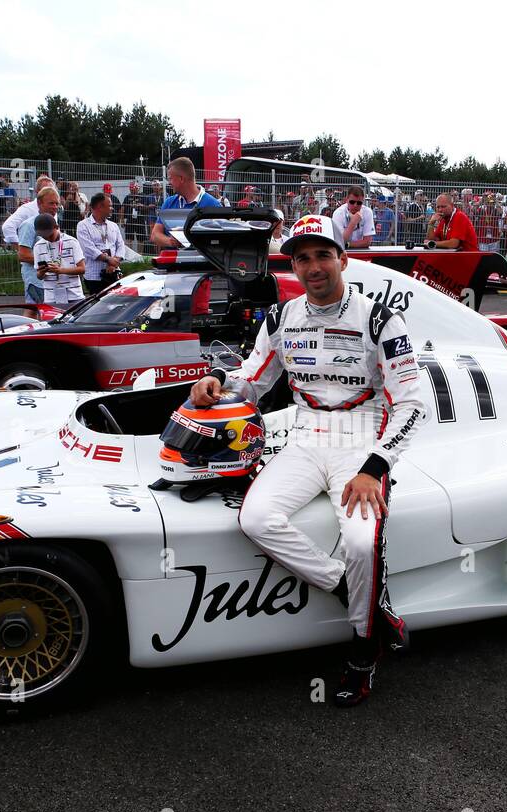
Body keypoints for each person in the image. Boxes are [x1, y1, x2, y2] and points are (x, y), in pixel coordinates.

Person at [189, 215, 425, 707]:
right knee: (255, 518)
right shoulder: (280, 318)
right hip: (304, 435)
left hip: (362, 439)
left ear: (343, 258)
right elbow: (250, 380)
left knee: (361, 542)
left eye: (323, 255)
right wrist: (216, 383)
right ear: (292, 265)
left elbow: (413, 404)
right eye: (302, 258)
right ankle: (348, 589)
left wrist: (374, 469)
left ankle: (364, 650)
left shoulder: (380, 318)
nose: (313, 267)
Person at [151, 157, 221, 251]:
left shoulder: (213, 205)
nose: (169, 183)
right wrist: (171, 242)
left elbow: (219, 240)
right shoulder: (169, 203)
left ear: (181, 179)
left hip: (201, 263)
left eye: (170, 178)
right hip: (173, 264)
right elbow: (155, 235)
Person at [17, 186, 62, 304]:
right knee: (40, 312)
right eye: (51, 203)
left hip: (51, 280)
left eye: (57, 204)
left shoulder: (54, 224)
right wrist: (49, 263)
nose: (55, 207)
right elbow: (23, 255)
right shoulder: (29, 225)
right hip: (36, 281)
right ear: (39, 203)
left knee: (36, 312)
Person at [32, 213, 86, 307]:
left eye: (50, 235)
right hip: (51, 297)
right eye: (43, 236)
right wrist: (42, 272)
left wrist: (61, 270)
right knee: (53, 321)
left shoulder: (72, 242)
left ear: (57, 227)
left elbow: (82, 269)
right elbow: (39, 276)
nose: (47, 238)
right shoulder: (38, 246)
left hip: (74, 296)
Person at [77, 192, 126, 295]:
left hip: (113, 273)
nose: (112, 208)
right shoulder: (83, 225)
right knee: (97, 306)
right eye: (110, 206)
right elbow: (88, 249)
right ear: (100, 207)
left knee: (116, 305)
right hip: (94, 276)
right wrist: (109, 259)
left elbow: (121, 246)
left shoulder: (113, 226)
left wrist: (114, 262)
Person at [1, 173, 55, 246]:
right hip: (32, 254)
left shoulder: (53, 209)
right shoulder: (27, 209)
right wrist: (21, 248)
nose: (49, 193)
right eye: (45, 190)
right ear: (37, 191)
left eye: (51, 190)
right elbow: (7, 227)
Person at [331, 185, 376, 249]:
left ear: (363, 201)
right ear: (346, 200)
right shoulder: (338, 213)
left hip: (360, 251)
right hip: (341, 251)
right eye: (352, 202)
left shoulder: (367, 212)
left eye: (359, 203)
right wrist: (353, 222)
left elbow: (367, 242)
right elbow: (340, 241)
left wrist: (348, 244)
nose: (355, 205)